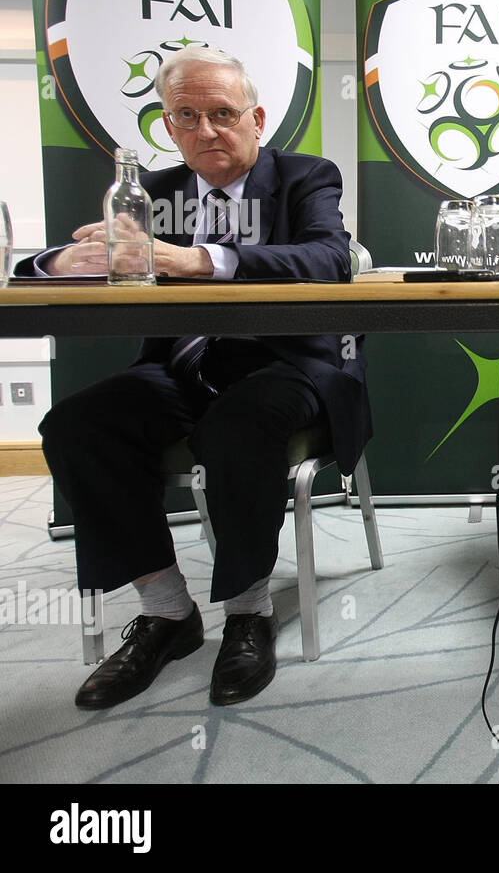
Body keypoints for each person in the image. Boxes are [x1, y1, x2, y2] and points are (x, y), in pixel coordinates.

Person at [21, 46, 371, 709]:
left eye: (222, 113)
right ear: (168, 124)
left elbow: (329, 256)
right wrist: (66, 261)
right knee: (76, 425)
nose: (205, 130)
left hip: (285, 364)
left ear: (257, 118)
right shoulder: (151, 190)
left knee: (239, 423)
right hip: (179, 368)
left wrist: (198, 260)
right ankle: (167, 613)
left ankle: (248, 612)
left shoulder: (303, 177)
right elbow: (71, 259)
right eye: (187, 115)